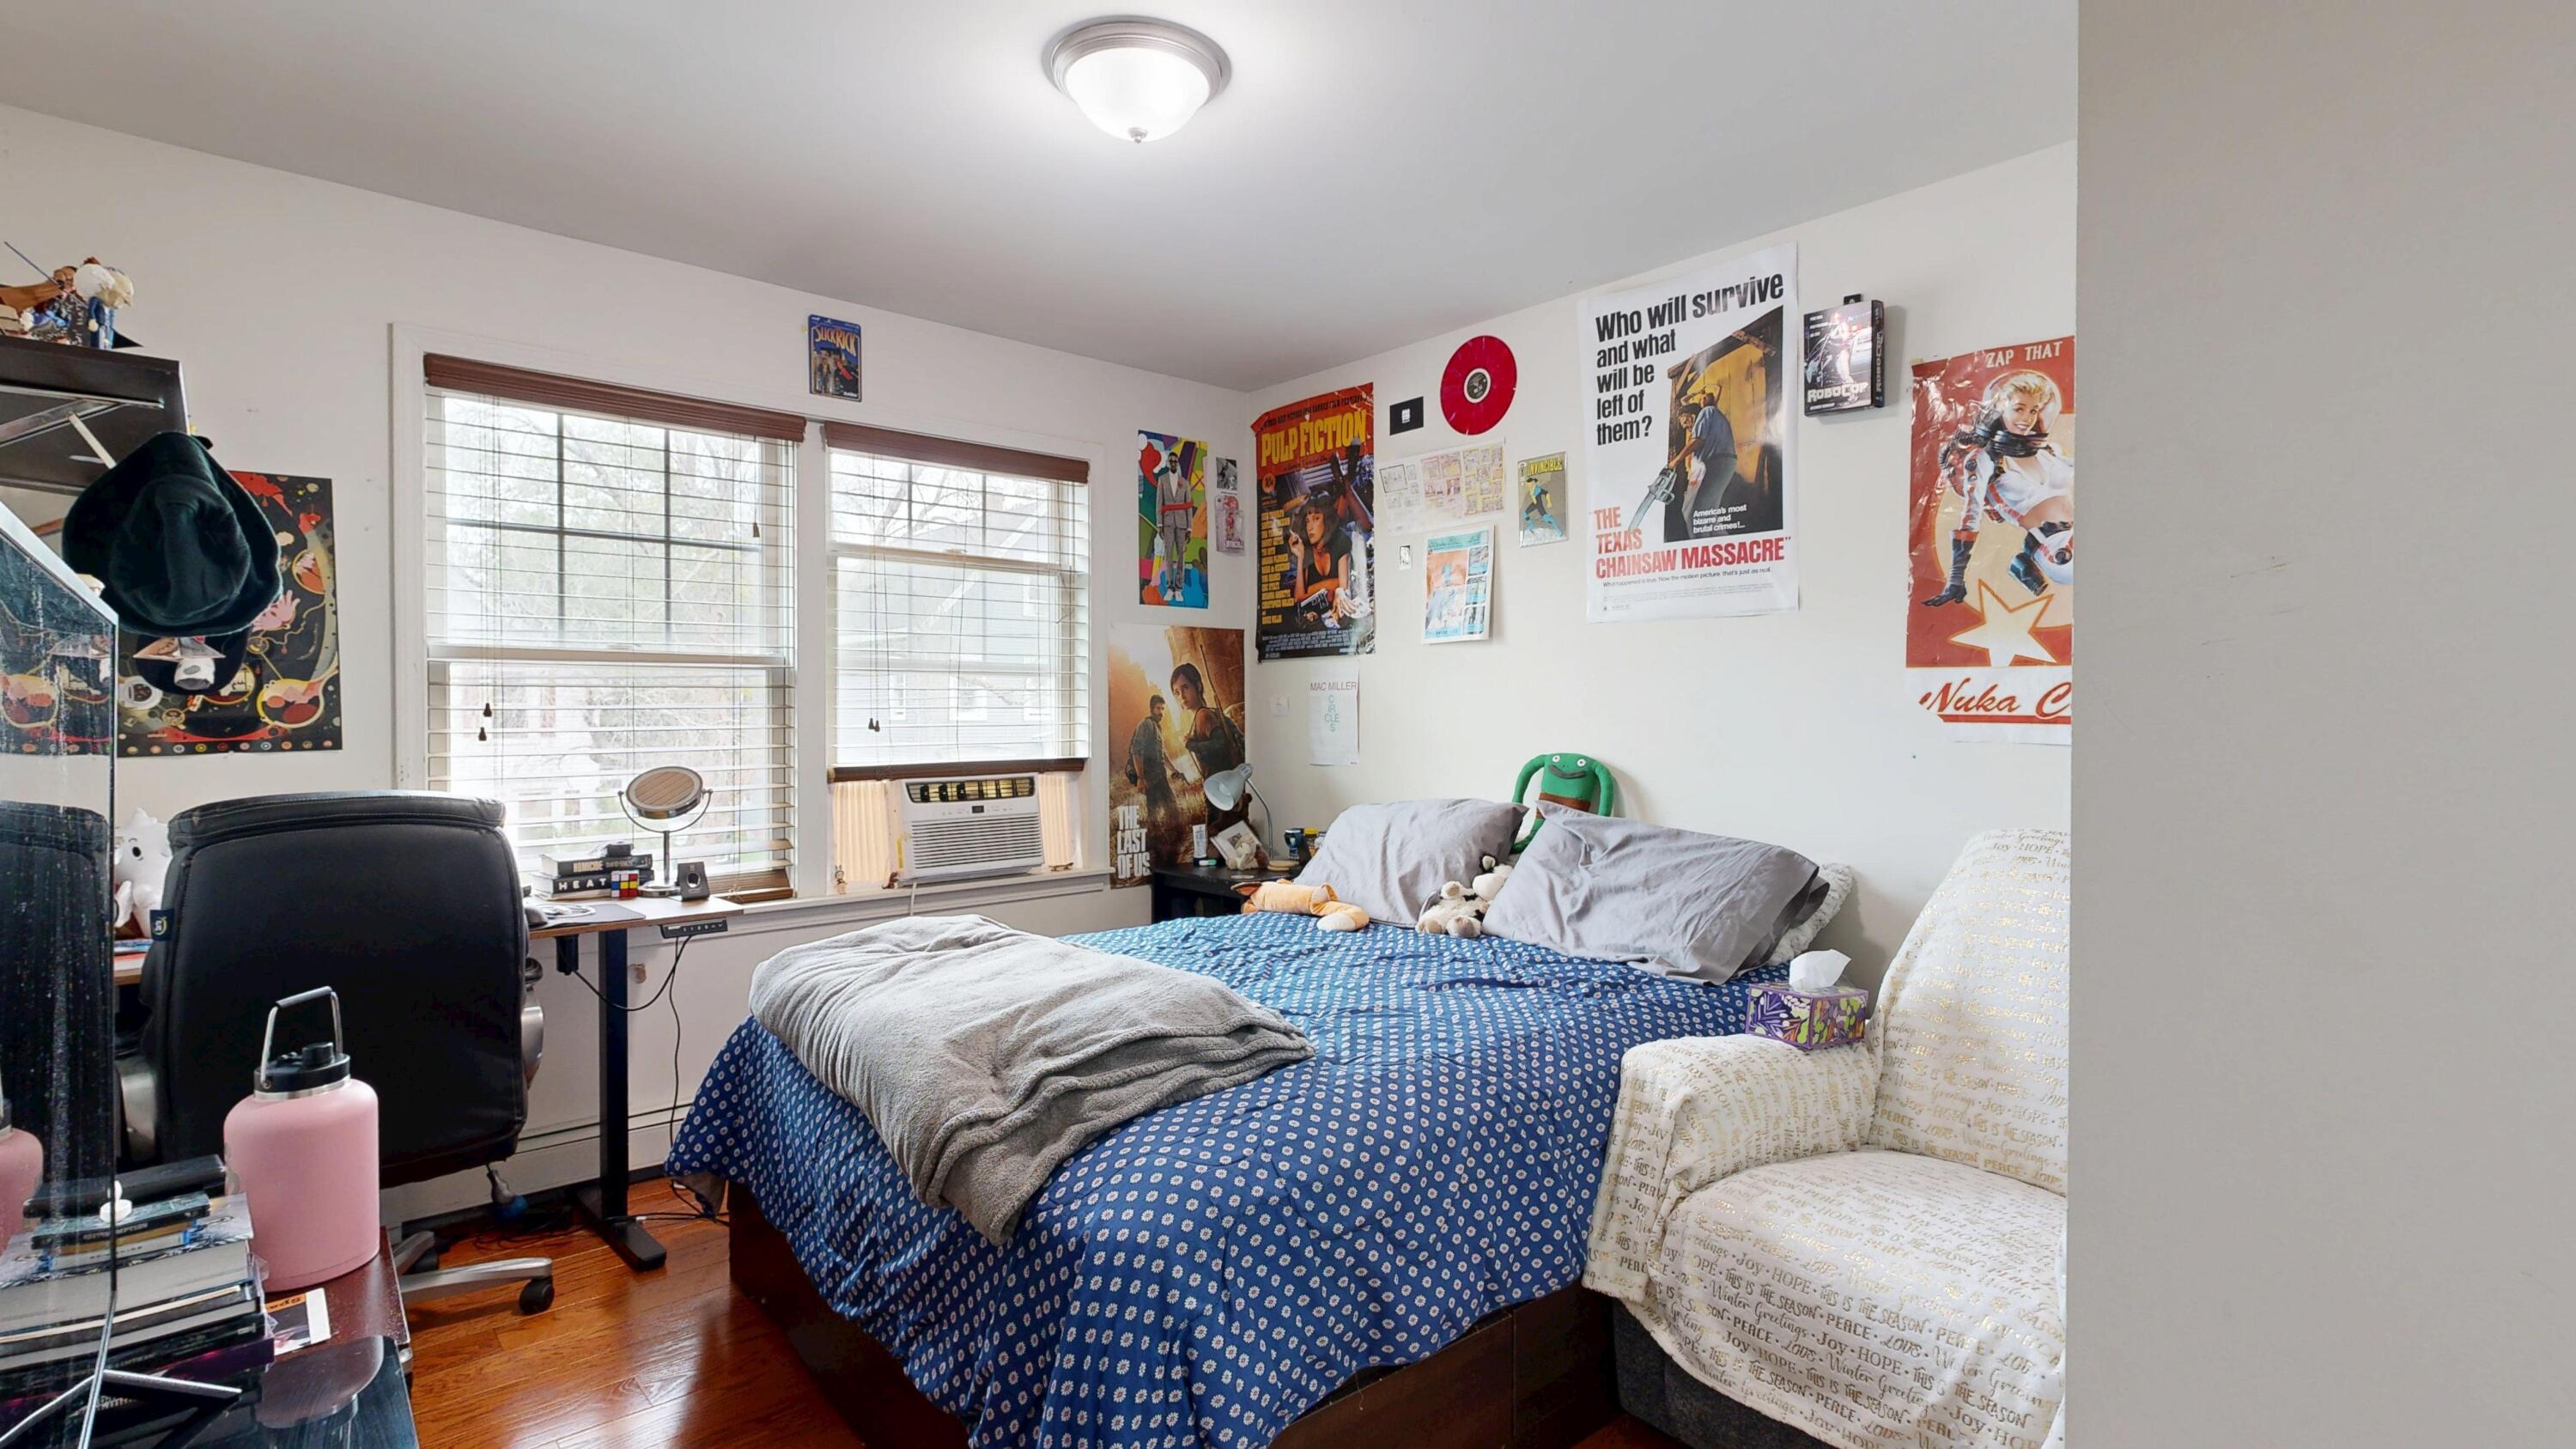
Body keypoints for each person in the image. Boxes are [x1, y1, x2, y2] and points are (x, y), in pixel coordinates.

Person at [1921, 370, 2075, 606]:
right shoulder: (1986, 459)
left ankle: (2026, 558)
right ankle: (2029, 557)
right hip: (2056, 549)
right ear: (2000, 410)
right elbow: (1970, 514)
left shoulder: (2049, 451)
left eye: (2033, 410)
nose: (2027, 418)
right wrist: (1955, 579)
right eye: (2019, 409)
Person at [1170, 662, 1243, 782]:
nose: (1182, 696)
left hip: (1222, 782)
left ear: (1198, 686)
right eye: (1177, 692)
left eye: (1185, 688)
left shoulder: (1203, 715)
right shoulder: (1201, 715)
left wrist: (1190, 744)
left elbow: (1221, 744)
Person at [1124, 694, 1177, 820]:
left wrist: (1173, 770)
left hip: (1161, 776)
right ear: (1152, 709)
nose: (1161, 712)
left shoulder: (1157, 727)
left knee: (1170, 807)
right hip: (1150, 778)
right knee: (1156, 811)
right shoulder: (1145, 724)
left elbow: (1162, 753)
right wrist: (1141, 778)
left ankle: (1170, 828)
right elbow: (1136, 751)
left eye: (1163, 709)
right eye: (1158, 708)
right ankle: (1156, 830)